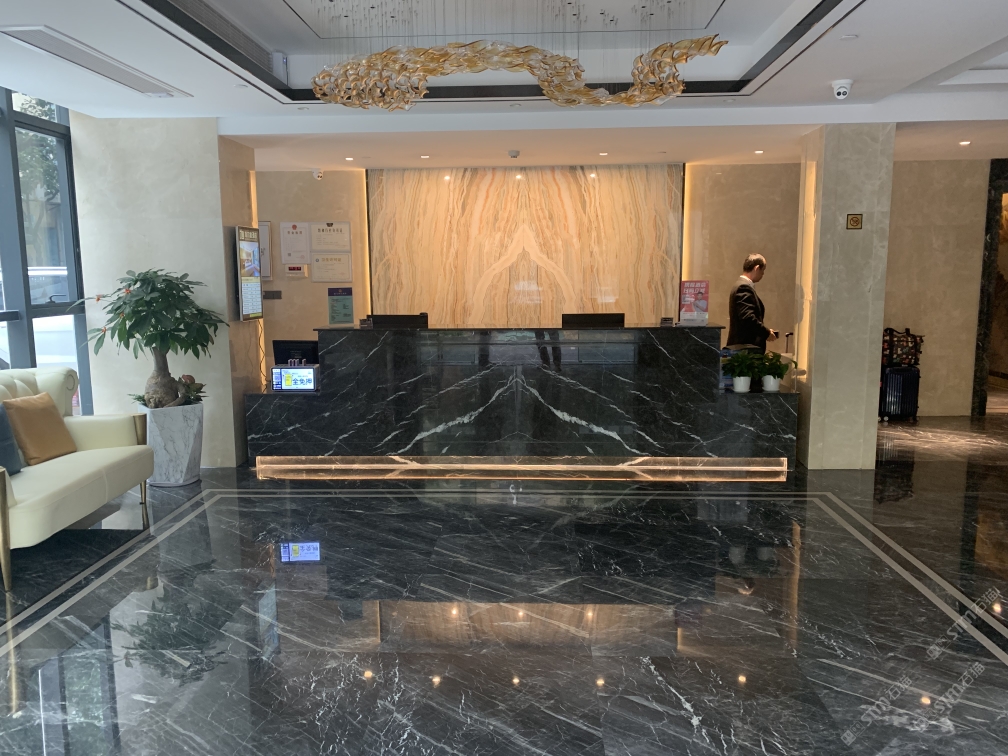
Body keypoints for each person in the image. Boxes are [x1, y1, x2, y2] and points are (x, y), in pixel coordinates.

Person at [726, 254, 777, 354]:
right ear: (757, 268)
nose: (763, 274)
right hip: (745, 350)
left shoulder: (740, 285)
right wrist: (766, 333)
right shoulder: (743, 287)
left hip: (742, 349)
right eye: (763, 270)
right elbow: (748, 318)